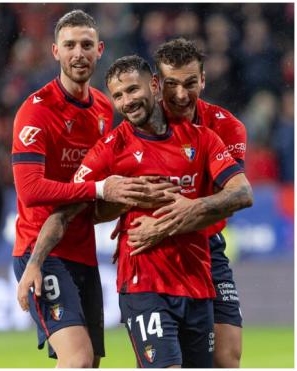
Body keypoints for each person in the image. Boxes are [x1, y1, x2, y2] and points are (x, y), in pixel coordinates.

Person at [39, 55, 252, 367]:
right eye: (118, 95)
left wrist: (180, 215)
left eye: (132, 90)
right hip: (145, 279)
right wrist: (34, 263)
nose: (127, 101)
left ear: (153, 86)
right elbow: (72, 208)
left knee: (224, 361)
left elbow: (242, 193)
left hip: (199, 273)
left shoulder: (206, 134)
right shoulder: (112, 146)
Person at [11, 10, 159, 368]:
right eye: (70, 45)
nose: (79, 53)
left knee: (89, 362)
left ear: (99, 50)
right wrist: (99, 190)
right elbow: (30, 191)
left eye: (86, 45)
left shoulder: (106, 109)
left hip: (82, 252)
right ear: (55, 52)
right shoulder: (36, 111)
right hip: (40, 250)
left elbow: (103, 191)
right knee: (76, 359)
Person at [148, 38, 247, 368]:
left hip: (207, 250)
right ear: (157, 84)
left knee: (226, 357)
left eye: (190, 83)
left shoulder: (226, 126)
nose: (180, 95)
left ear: (203, 80)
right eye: (171, 84)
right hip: (156, 252)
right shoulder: (141, 125)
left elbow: (236, 195)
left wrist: (192, 208)